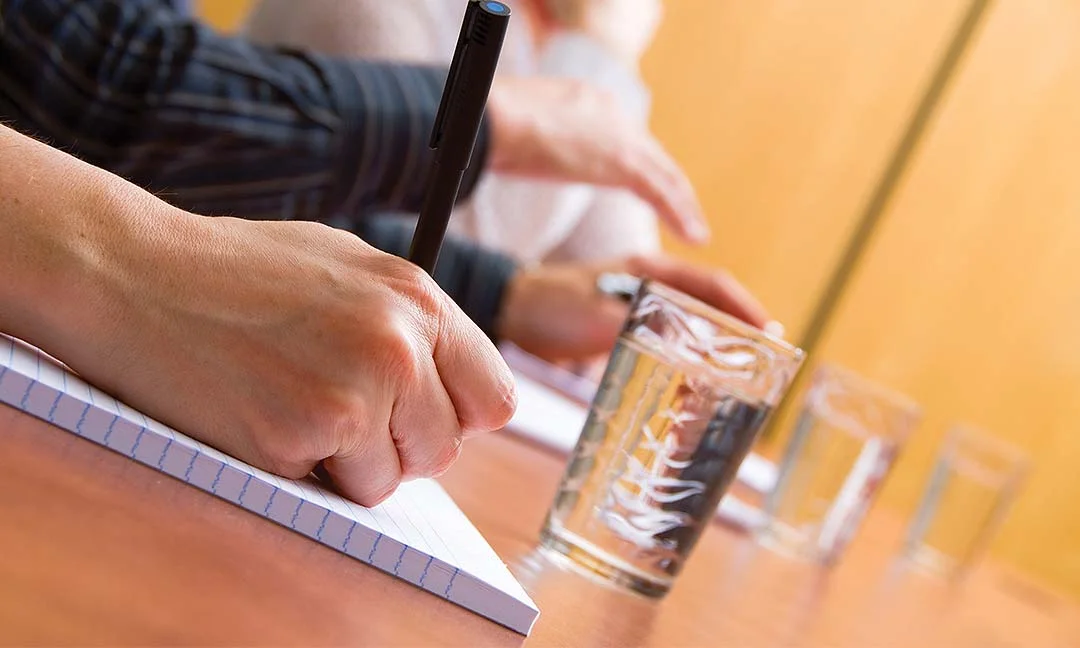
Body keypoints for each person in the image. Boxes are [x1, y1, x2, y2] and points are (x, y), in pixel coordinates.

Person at [0, 0, 707, 246]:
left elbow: (609, 260)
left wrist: (517, 299)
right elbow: (401, 247)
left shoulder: (580, 40)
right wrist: (516, 113)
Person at [245, 0, 673, 264]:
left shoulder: (578, 22)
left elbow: (614, 263)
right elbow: (419, 250)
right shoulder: (378, 10)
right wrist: (595, 60)